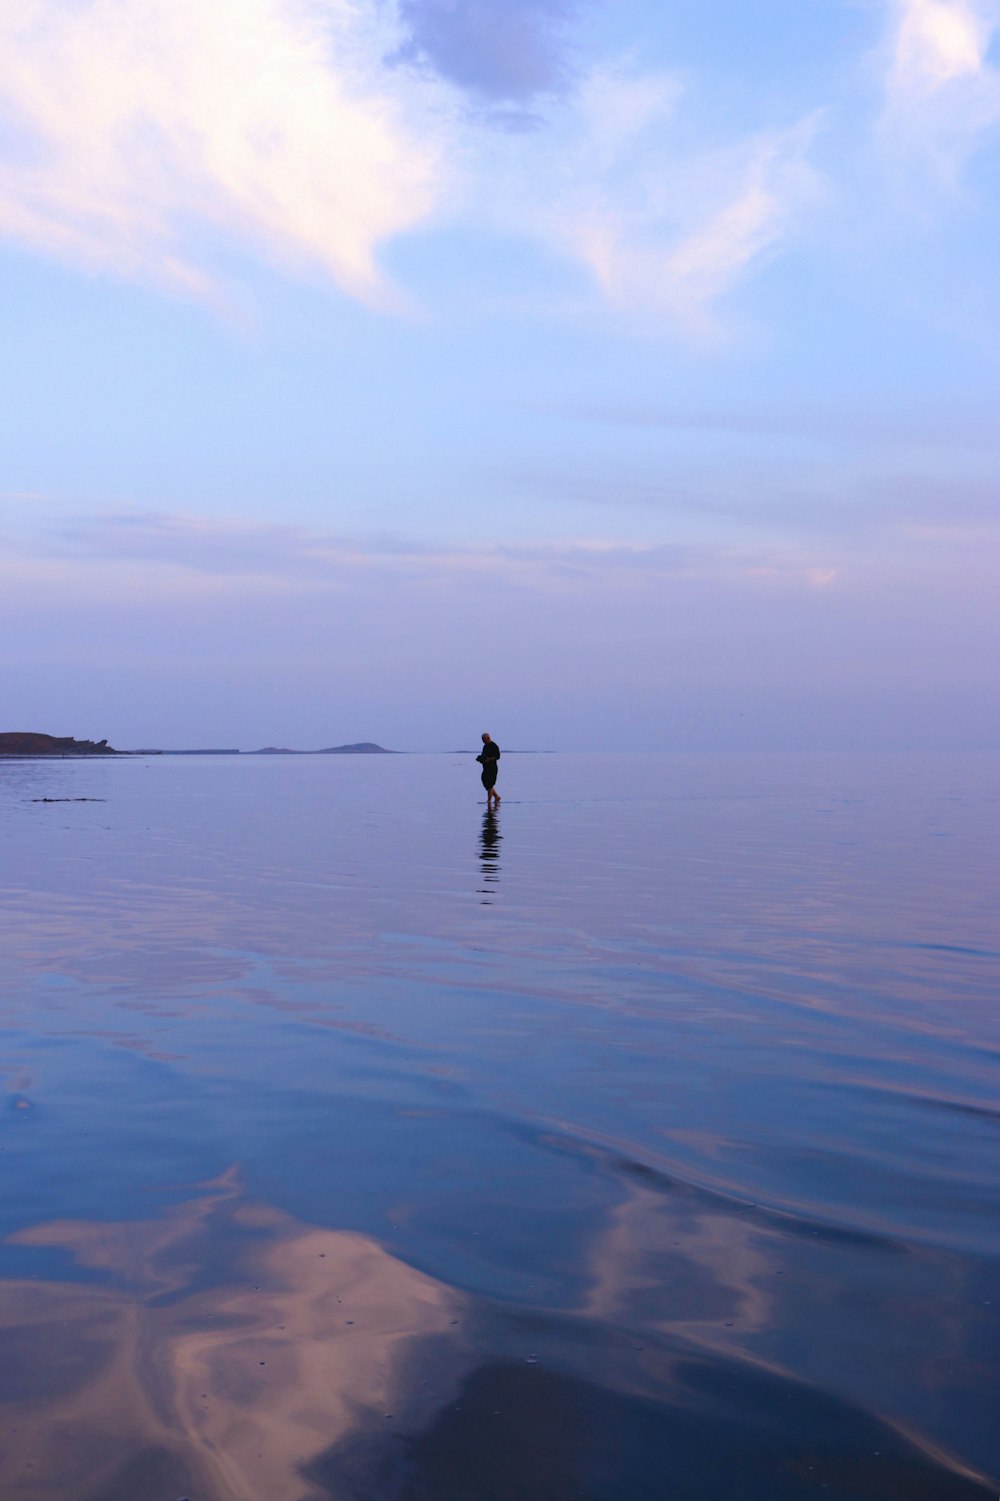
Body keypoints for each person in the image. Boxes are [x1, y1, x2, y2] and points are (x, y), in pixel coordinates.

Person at [476, 732, 501, 807]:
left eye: (484, 740)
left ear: (488, 738)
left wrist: (489, 759)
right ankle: (496, 797)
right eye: (482, 740)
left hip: (492, 768)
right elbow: (484, 755)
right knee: (485, 781)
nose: (483, 741)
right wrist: (481, 759)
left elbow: (497, 756)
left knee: (490, 784)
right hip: (485, 768)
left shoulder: (494, 746)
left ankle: (489, 801)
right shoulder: (485, 746)